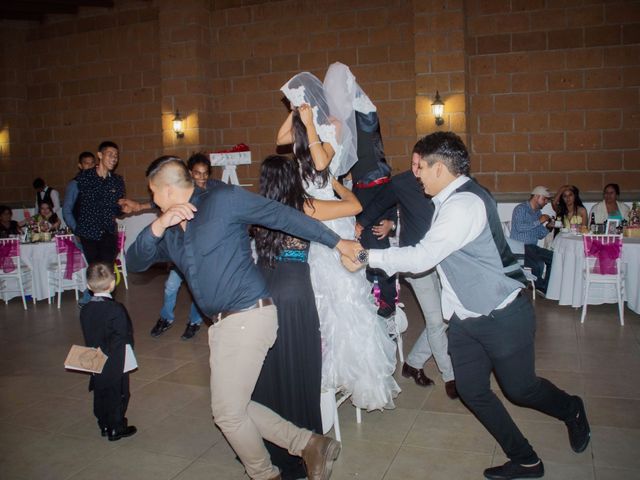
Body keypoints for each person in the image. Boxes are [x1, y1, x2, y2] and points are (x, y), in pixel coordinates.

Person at [341, 132, 590, 480]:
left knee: (520, 390)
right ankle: (526, 460)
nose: (417, 175)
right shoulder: (449, 198)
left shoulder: (464, 204)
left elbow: (424, 255)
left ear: (440, 168)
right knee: (473, 391)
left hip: (501, 313)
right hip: (464, 318)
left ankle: (572, 409)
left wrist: (366, 255)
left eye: (421, 168)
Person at [126, 156, 352, 480]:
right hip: (220, 326)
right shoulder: (172, 234)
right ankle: (310, 444)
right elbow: (135, 261)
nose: (152, 201)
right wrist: (158, 225)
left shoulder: (222, 201)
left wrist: (338, 242)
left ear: (168, 189)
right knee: (235, 406)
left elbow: (282, 215)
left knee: (228, 414)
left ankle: (264, 474)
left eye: (154, 194)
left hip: (248, 315)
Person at [279, 70, 400, 412]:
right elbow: (280, 139)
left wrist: (311, 123)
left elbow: (320, 162)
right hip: (311, 217)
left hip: (333, 215)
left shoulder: (336, 125)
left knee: (345, 295)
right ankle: (324, 372)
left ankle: (360, 377)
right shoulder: (306, 122)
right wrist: (296, 113)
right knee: (319, 295)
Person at [253, 154, 362, 480]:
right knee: (299, 362)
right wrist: (334, 183)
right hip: (293, 286)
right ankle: (303, 446)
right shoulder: (305, 205)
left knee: (266, 364)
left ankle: (269, 443)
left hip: (261, 283)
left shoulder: (256, 206)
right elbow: (355, 205)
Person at [356, 154, 457, 399]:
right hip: (416, 264)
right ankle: (452, 377)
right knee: (435, 321)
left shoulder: (441, 182)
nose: (416, 170)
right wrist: (360, 226)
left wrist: (390, 221)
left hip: (442, 261)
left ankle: (413, 363)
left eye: (420, 165)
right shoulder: (401, 182)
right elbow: (379, 204)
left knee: (445, 317)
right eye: (413, 164)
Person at [121, 153, 215, 341]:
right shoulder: (177, 194)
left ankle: (194, 322)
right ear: (188, 175)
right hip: (177, 254)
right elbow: (159, 202)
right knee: (170, 286)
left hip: (200, 259)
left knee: (198, 289)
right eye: (197, 173)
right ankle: (166, 318)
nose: (202, 178)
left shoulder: (211, 196)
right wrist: (139, 207)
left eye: (205, 174)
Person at [79, 262, 136, 441]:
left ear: (88, 286)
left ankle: (103, 423)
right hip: (116, 360)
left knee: (100, 391)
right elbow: (124, 335)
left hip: (95, 357)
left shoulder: (85, 309)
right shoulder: (116, 309)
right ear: (112, 284)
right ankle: (115, 427)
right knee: (119, 393)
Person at [75, 141, 125, 305]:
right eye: (110, 154)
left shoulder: (117, 181)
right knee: (95, 269)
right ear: (100, 155)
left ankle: (107, 303)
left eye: (116, 156)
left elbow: (117, 209)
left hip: (108, 232)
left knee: (108, 270)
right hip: (89, 232)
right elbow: (83, 202)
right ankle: (95, 303)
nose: (114, 158)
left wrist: (123, 208)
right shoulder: (85, 177)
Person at [510, 186, 554, 295]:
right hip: (520, 247)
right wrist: (539, 221)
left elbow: (539, 235)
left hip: (533, 247)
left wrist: (548, 227)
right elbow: (520, 228)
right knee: (538, 263)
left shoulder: (538, 213)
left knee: (554, 258)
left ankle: (546, 287)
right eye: (544, 199)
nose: (546, 202)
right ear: (536, 196)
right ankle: (541, 287)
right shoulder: (521, 209)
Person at [62, 151, 96, 233]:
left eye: (92, 163)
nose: (90, 166)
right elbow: (66, 210)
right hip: (83, 232)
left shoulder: (97, 183)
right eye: (86, 163)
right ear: (80, 166)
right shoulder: (74, 184)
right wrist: (77, 229)